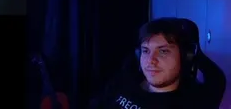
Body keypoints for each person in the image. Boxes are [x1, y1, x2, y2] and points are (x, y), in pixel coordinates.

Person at [90, 18, 227, 109]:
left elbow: (217, 79)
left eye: (163, 51)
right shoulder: (125, 80)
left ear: (185, 57)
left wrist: (195, 54)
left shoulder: (193, 102)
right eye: (145, 50)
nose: (151, 60)